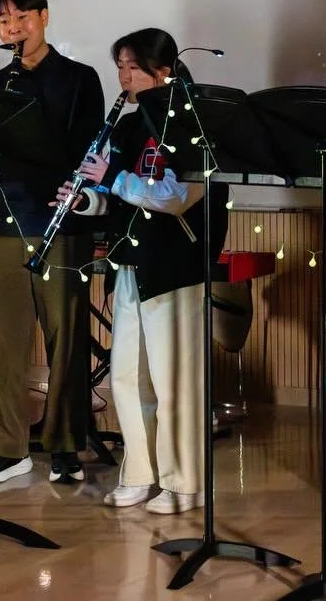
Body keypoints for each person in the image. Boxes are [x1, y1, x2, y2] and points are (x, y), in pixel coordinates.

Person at [57, 28, 227, 514]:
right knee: (128, 376)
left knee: (175, 380)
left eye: (133, 67)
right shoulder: (130, 126)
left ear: (163, 72)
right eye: (120, 67)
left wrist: (112, 178)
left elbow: (176, 198)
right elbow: (113, 198)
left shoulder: (196, 123)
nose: (124, 77)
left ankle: (184, 483)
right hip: (130, 261)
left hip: (176, 265)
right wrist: (85, 200)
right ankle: (140, 473)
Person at [0, 0, 105, 484]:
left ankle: (66, 444)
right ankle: (9, 446)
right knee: (4, 343)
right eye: (3, 20)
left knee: (66, 339)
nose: (13, 28)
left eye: (22, 17)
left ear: (44, 17)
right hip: (6, 219)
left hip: (61, 222)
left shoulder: (79, 78)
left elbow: (87, 149)